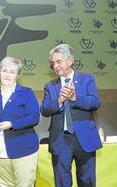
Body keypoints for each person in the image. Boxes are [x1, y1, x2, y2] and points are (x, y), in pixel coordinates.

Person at [40, 43, 102, 187]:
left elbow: (95, 102)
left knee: (87, 181)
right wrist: (59, 101)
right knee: (62, 182)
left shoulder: (87, 80)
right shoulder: (50, 86)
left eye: (59, 62)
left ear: (70, 61)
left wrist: (75, 98)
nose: (55, 66)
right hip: (61, 141)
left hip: (84, 139)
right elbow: (44, 110)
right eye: (53, 63)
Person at [0, 56, 40, 187]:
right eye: (4, 70)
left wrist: (12, 124)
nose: (7, 75)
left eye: (12, 72)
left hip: (23, 150)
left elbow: (34, 117)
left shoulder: (26, 93)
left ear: (18, 75)